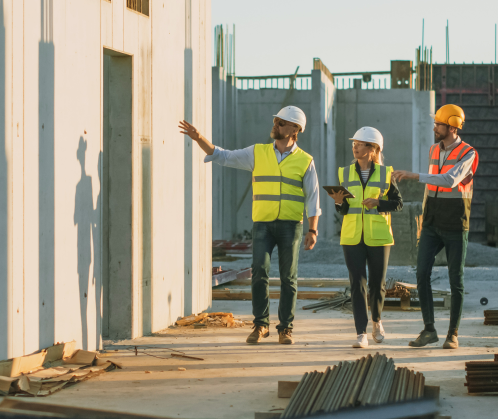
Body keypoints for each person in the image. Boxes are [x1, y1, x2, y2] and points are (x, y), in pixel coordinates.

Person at [179, 106, 320, 345]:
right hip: (263, 225)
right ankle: (261, 325)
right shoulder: (258, 152)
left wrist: (312, 230)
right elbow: (222, 155)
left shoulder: (305, 161)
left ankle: (285, 328)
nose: (275, 125)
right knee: (259, 273)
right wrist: (198, 138)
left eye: (281, 122)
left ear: (295, 130)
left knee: (289, 278)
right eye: (275, 120)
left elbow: (313, 197)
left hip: (291, 226)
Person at [393, 104, 477, 349]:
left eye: (438, 124)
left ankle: (453, 334)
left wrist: (414, 175)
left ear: (452, 127)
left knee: (456, 279)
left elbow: (450, 180)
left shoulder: (468, 153)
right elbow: (432, 189)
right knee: (421, 274)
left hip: (455, 224)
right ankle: (429, 330)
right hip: (431, 223)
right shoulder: (433, 150)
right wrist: (423, 219)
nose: (434, 128)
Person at [328, 127, 403, 349]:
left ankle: (377, 321)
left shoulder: (385, 173)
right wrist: (338, 201)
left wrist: (378, 203)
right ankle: (361, 333)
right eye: (354, 143)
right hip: (351, 236)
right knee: (356, 284)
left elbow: (398, 204)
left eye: (360, 144)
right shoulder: (344, 172)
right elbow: (342, 211)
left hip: (379, 236)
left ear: (373, 149)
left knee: (377, 284)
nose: (355, 146)